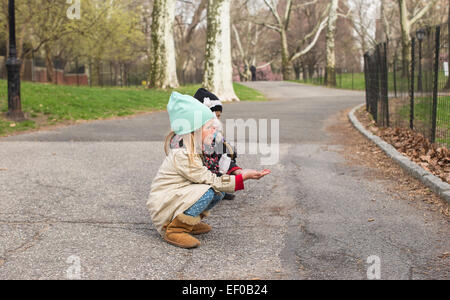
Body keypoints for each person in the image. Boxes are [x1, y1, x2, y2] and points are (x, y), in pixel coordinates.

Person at [147, 92, 270, 249]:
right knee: (210, 191)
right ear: (193, 131)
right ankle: (175, 228)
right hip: (164, 207)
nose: (215, 130)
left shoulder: (198, 148)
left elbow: (222, 157)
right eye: (209, 127)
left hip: (176, 197)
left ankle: (189, 221)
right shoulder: (183, 154)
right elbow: (211, 180)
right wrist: (242, 178)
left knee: (219, 192)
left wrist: (237, 171)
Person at [193, 88, 241, 201]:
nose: (218, 120)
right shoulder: (193, 138)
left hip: (215, 173)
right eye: (216, 116)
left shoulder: (216, 136)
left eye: (219, 117)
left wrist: (235, 170)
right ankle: (212, 189)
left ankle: (221, 188)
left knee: (228, 151)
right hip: (200, 175)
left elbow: (224, 155)